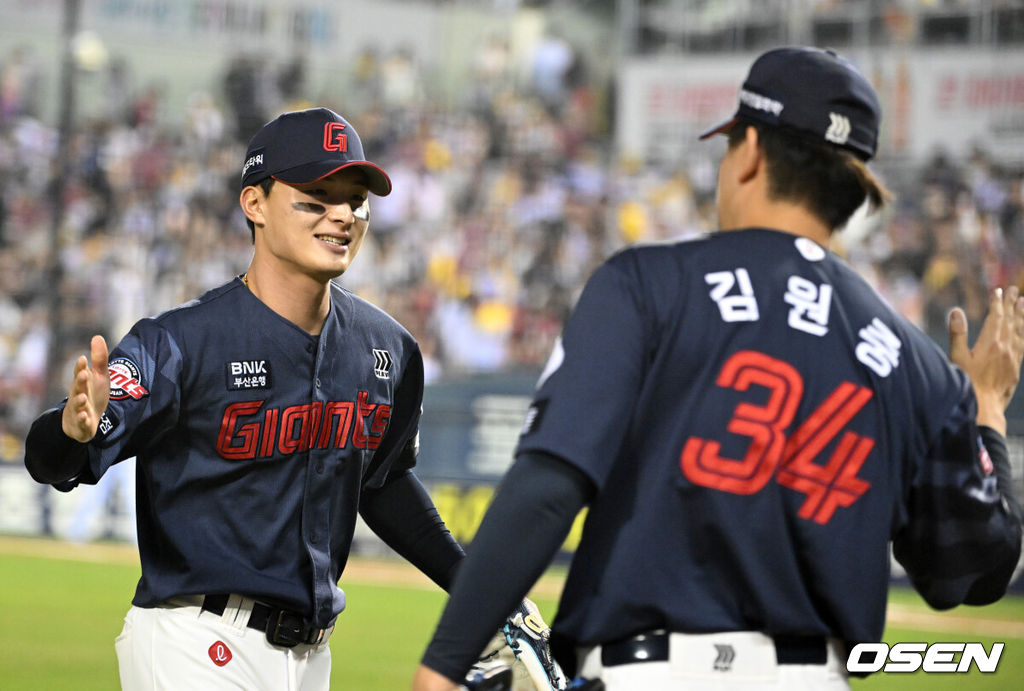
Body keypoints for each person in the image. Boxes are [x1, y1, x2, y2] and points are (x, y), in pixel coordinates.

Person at [412, 46, 1024, 691]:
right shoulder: (918, 365)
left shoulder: (647, 284)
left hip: (652, 673)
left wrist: (444, 665)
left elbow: (549, 486)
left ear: (751, 151)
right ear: (852, 187)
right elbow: (972, 573)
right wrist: (985, 407)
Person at [25, 107, 472, 690]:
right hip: (195, 638)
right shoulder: (182, 341)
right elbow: (54, 460)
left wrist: (479, 591)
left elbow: (380, 483)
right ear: (254, 204)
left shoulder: (386, 347)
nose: (342, 213)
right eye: (316, 194)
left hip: (311, 658)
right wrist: (70, 430)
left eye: (356, 198)